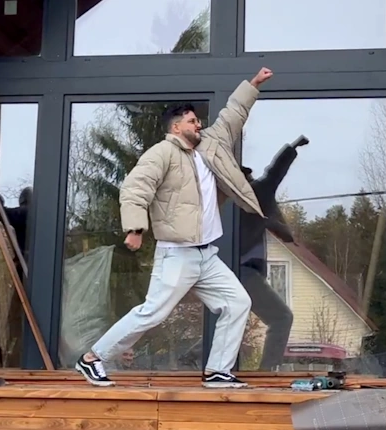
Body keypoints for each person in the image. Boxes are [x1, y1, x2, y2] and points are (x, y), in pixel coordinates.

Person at [75, 67, 274, 388]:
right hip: (177, 254)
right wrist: (135, 228)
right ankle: (92, 358)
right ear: (176, 126)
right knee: (153, 312)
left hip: (206, 256)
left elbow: (233, 114)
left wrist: (253, 84)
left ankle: (218, 371)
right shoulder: (163, 153)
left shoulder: (211, 144)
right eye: (193, 121)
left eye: (198, 121)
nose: (199, 125)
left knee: (238, 303)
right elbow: (135, 188)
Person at [180, 138, 306, 371]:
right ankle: (268, 372)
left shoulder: (219, 201)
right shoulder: (255, 193)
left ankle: (194, 355)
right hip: (243, 272)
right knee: (281, 318)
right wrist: (292, 148)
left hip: (218, 269)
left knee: (235, 316)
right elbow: (274, 173)